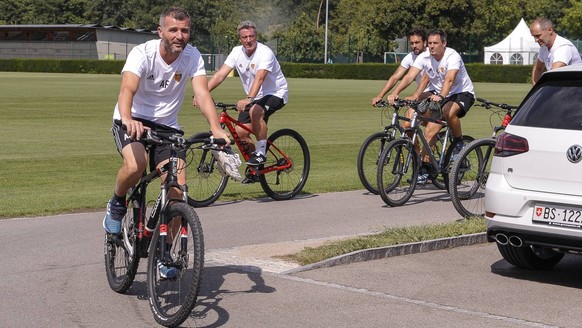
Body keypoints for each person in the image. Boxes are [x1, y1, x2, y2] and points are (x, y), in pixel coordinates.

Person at [103, 7, 230, 278]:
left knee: (177, 190)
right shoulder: (143, 53)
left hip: (167, 128)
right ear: (161, 31)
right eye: (173, 29)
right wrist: (127, 118)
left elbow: (202, 93)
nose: (180, 35)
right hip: (132, 119)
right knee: (136, 166)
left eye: (184, 30)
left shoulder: (192, 56)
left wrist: (215, 128)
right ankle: (116, 204)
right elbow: (127, 88)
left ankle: (165, 253)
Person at [387, 29, 475, 184]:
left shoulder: (452, 56)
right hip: (439, 95)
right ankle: (426, 167)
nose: (432, 46)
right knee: (427, 131)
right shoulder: (424, 57)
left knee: (449, 111)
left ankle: (459, 142)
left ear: (444, 44)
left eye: (436, 43)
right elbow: (409, 76)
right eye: (430, 43)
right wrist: (395, 92)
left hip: (461, 93)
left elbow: (449, 79)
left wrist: (441, 96)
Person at [206, 20, 288, 169]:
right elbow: (220, 75)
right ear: (240, 39)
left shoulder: (265, 52)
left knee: (255, 110)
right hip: (255, 96)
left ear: (256, 36)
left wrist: (249, 98)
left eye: (251, 36)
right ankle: (255, 169)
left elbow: (260, 77)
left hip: (276, 93)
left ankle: (261, 153)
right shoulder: (236, 52)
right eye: (245, 37)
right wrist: (203, 93)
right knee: (240, 133)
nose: (249, 40)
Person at [371, 28, 429, 106]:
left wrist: (395, 93)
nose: (414, 46)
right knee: (410, 115)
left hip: (435, 92)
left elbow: (424, 79)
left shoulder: (430, 55)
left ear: (425, 42)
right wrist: (380, 96)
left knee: (412, 112)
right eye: (412, 43)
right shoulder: (410, 57)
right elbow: (395, 77)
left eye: (417, 43)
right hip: (422, 93)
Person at [530, 17, 581, 85]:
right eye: (534, 36)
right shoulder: (544, 47)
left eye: (538, 36)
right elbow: (538, 69)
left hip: (575, 91)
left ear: (550, 30)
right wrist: (536, 89)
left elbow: (553, 75)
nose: (536, 40)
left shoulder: (563, 47)